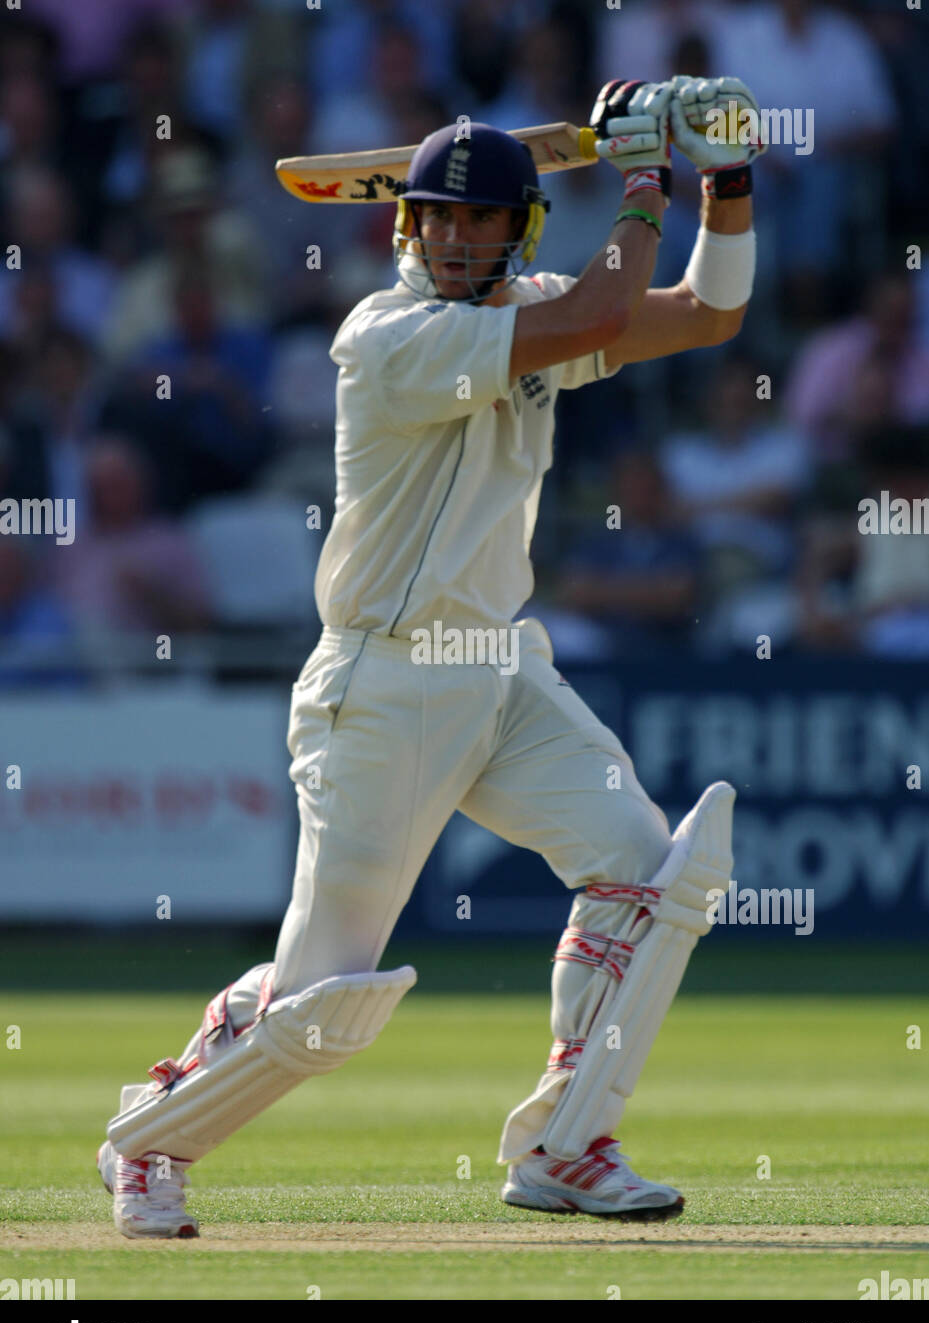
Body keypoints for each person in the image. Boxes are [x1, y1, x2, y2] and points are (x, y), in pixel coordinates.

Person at [97, 75, 761, 1237]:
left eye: (483, 220)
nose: (459, 239)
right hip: (383, 684)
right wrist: (645, 178)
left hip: (498, 671)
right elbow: (597, 317)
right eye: (439, 219)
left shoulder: (540, 310)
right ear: (407, 227)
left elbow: (708, 315)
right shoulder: (388, 335)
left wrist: (729, 178)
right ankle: (148, 1139)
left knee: (651, 874)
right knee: (324, 1003)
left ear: (519, 228)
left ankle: (564, 1144)